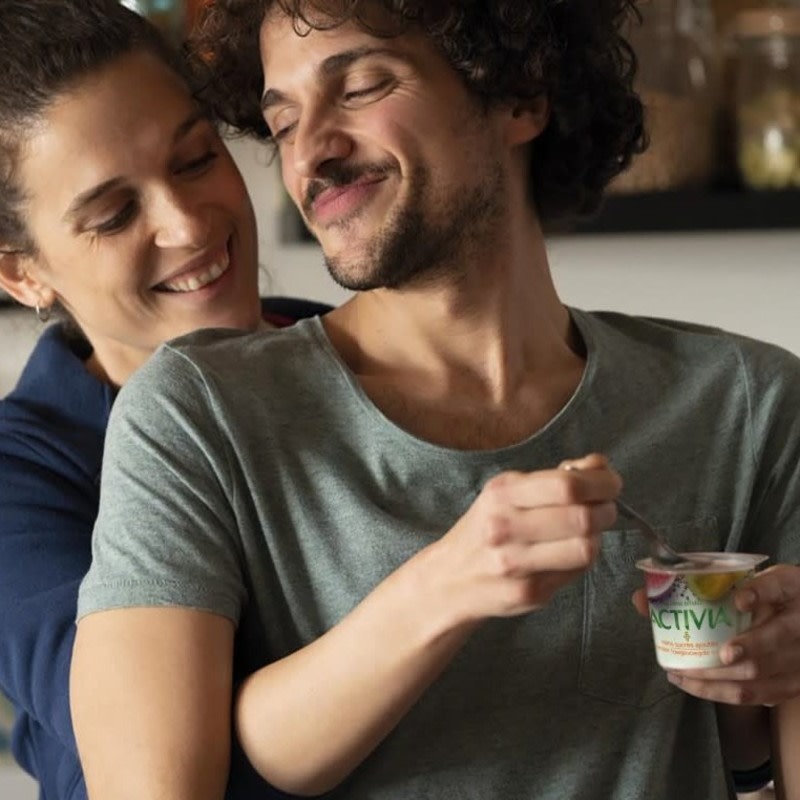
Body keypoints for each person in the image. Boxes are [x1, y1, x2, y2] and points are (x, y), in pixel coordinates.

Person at [71, 1, 800, 798]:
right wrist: (446, 584)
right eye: (282, 125)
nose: (311, 150)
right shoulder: (198, 415)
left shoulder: (748, 407)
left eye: (360, 88)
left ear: (520, 94)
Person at [0, 2, 329, 798]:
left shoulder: (374, 352)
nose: (188, 225)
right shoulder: (21, 479)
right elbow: (140, 770)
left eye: (195, 159)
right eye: (114, 215)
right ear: (23, 274)